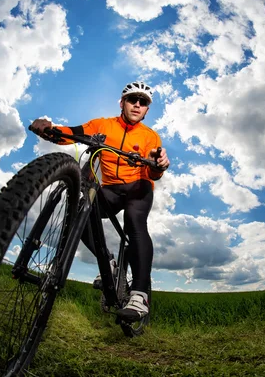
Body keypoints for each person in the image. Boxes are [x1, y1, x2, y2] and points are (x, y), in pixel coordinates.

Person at [30, 81, 170, 321]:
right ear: (122, 103)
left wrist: (158, 165)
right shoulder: (102, 125)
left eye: (143, 102)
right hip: (111, 189)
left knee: (135, 223)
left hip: (138, 188)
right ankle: (108, 260)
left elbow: (154, 170)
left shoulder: (150, 136)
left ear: (147, 109)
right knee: (80, 212)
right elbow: (73, 133)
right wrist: (49, 128)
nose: (137, 104)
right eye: (132, 99)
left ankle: (139, 295)